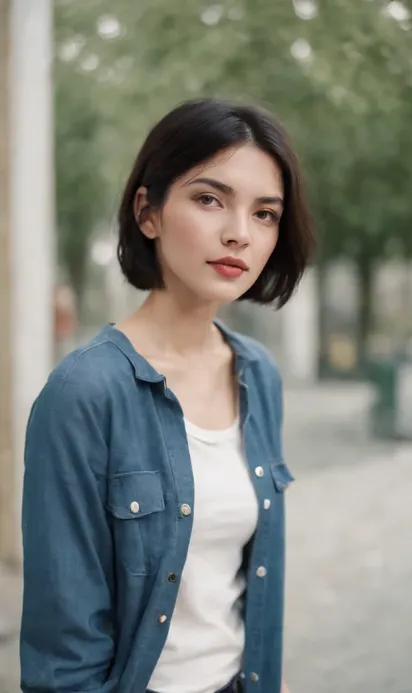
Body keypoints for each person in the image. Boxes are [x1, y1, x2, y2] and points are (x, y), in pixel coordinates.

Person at [20, 98, 314, 693]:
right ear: (148, 212)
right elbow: (65, 651)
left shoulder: (258, 374)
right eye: (210, 199)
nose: (238, 233)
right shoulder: (85, 392)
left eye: (265, 214)